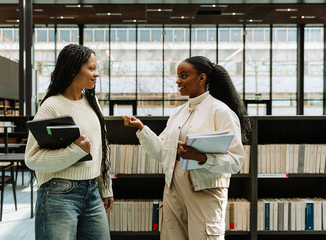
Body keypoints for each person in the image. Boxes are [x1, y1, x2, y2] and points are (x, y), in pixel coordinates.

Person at [122, 56, 250, 240]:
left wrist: (202, 158)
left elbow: (236, 161)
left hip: (205, 189)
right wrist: (142, 129)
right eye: (177, 76)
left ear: (201, 78)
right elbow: (161, 151)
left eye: (183, 75)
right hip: (173, 186)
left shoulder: (220, 111)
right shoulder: (178, 113)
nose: (177, 81)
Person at [25, 44, 113, 240]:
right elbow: (32, 159)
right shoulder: (51, 106)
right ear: (73, 69)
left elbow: (101, 148)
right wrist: (75, 150)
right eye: (91, 68)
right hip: (58, 193)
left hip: (92, 192)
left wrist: (105, 187)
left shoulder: (93, 103)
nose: (96, 74)